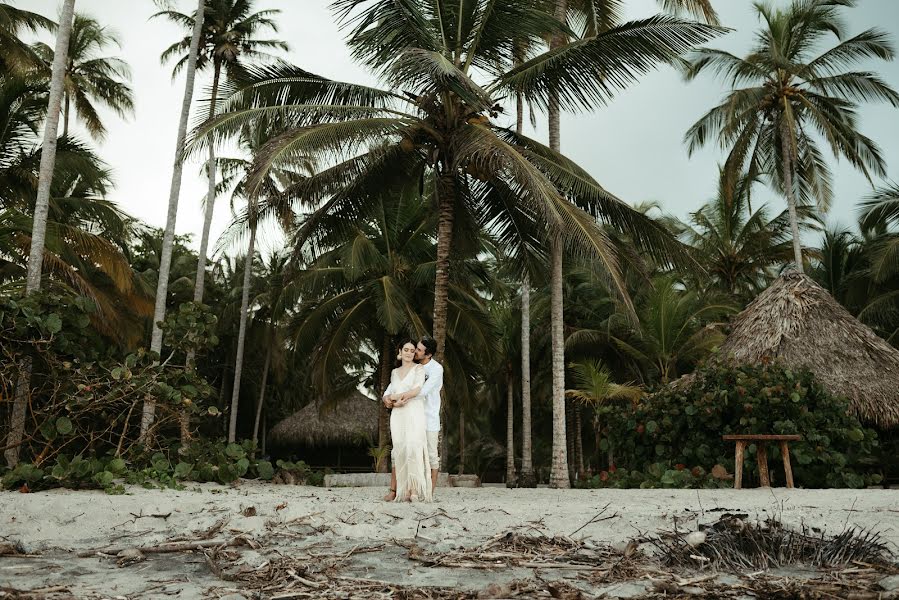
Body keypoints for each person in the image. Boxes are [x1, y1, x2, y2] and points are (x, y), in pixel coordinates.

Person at [381, 340, 432, 502]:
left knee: (413, 448)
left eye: (412, 350)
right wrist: (393, 402)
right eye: (406, 350)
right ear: (400, 351)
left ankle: (415, 490)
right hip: (398, 414)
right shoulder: (394, 373)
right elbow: (386, 395)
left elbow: (416, 390)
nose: (409, 353)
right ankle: (403, 490)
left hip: (414, 411)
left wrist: (395, 398)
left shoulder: (419, 369)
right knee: (400, 449)